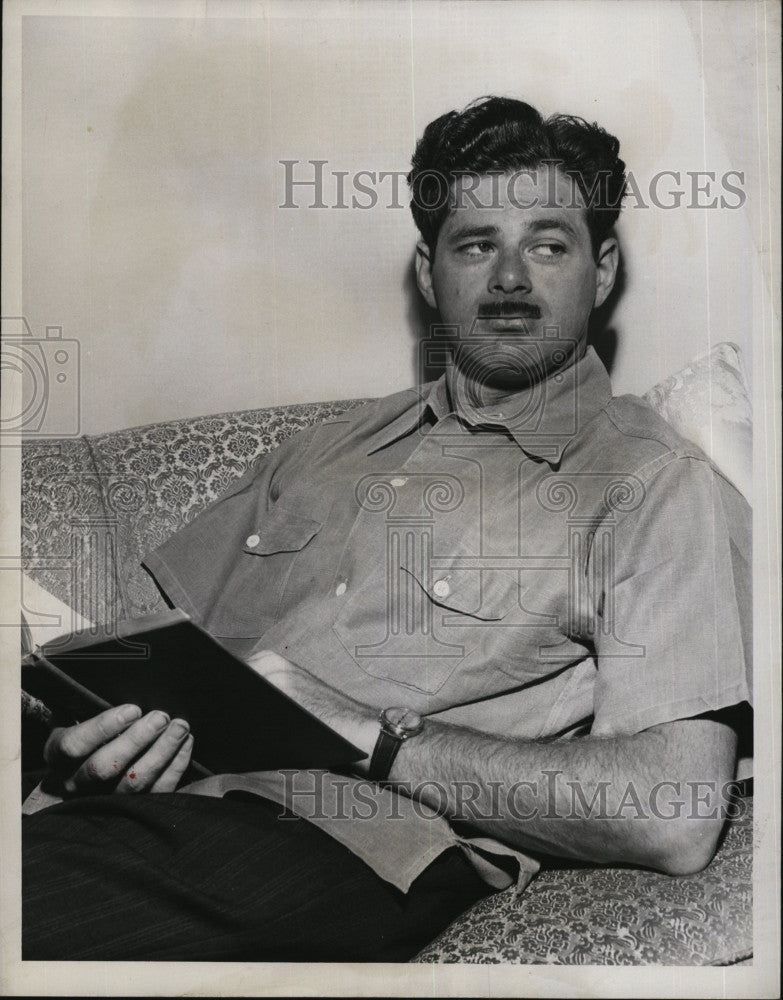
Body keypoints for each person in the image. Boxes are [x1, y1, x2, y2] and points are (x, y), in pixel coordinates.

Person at [22, 97, 751, 961]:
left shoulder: (651, 483)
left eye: (546, 244)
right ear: (427, 270)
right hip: (126, 814)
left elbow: (671, 812)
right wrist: (82, 739)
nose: (511, 278)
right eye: (476, 244)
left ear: (600, 271)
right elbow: (126, 646)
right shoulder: (323, 451)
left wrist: (370, 732)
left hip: (321, 842)